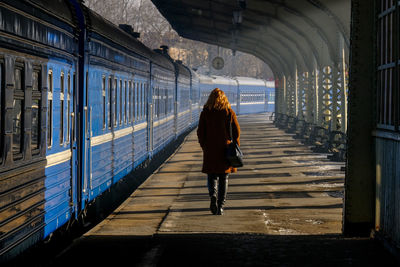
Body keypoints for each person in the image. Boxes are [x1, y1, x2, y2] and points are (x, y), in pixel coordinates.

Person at [197, 88, 240, 215]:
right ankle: (221, 206)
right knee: (224, 177)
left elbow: (200, 132)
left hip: (210, 149)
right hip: (225, 150)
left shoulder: (205, 113)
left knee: (212, 176)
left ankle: (212, 196)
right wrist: (235, 145)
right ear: (224, 99)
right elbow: (237, 131)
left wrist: (204, 145)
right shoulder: (229, 112)